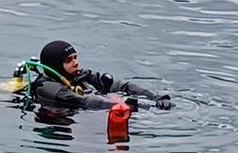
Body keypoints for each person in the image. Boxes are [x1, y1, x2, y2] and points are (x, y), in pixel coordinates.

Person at [27, 40, 173, 111]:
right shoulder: (47, 88)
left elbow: (120, 85)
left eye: (75, 57)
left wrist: (155, 97)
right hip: (65, 122)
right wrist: (138, 105)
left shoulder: (79, 76)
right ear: (55, 65)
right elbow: (85, 102)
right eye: (68, 60)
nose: (76, 63)